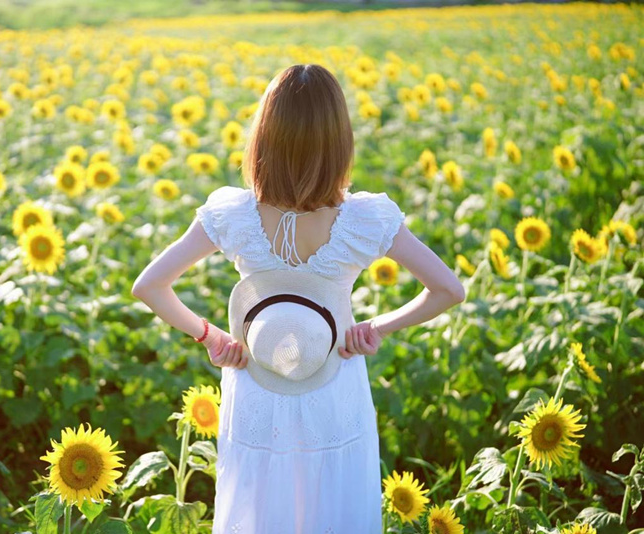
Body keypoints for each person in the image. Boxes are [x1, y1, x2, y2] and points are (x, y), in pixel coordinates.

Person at [131, 64, 465, 534]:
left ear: (265, 137)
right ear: (339, 142)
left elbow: (149, 286)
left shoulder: (234, 215)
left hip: (255, 383)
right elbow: (450, 290)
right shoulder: (366, 219)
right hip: (334, 386)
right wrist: (374, 329)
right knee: (334, 505)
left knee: (260, 505)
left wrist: (209, 336)